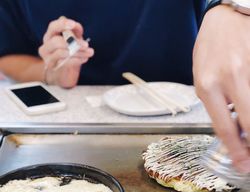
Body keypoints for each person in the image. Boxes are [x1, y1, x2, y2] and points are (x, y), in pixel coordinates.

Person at [0, 0, 250, 173]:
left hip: (189, 104)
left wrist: (231, 9)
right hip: (76, 115)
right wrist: (50, 72)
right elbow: (8, 54)